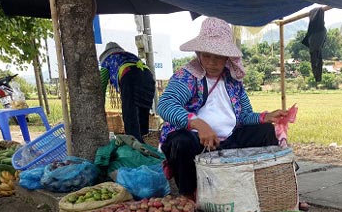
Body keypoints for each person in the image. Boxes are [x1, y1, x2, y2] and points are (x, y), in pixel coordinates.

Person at [157, 17, 286, 202]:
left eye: (218, 56)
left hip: (227, 141)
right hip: (197, 143)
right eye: (207, 55)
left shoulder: (232, 80)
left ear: (227, 57)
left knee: (265, 131)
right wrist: (198, 124)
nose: (212, 62)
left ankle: (271, 184)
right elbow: (165, 104)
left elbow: (244, 116)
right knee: (182, 141)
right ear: (199, 53)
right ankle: (189, 195)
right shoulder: (187, 76)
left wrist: (266, 117)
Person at [99, 42, 155, 143]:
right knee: (143, 108)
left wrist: (99, 106)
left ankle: (134, 144)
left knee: (130, 112)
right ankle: (143, 138)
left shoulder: (107, 60)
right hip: (148, 76)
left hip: (129, 76)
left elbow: (101, 85)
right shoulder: (129, 55)